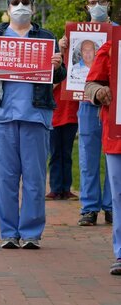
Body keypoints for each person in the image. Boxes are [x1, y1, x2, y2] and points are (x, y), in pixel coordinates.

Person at [0, 0, 65, 250]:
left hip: (35, 115)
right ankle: (8, 232)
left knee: (35, 177)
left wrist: (58, 67)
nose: (21, 6)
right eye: (16, 2)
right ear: (8, 9)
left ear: (33, 8)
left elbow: (57, 79)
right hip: (3, 115)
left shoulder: (46, 37)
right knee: (5, 177)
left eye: (26, 2)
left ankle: (30, 232)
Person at [69, 0, 114, 227]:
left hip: (114, 104)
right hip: (86, 103)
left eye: (101, 2)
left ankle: (111, 206)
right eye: (92, 3)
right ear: (86, 7)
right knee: (87, 156)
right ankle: (89, 208)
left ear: (109, 3)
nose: (97, 6)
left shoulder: (117, 32)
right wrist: (63, 47)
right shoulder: (76, 35)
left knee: (114, 156)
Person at [84, 40, 121, 275]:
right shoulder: (111, 47)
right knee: (119, 195)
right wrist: (98, 92)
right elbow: (90, 85)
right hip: (117, 135)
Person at [46, 84, 79, 200]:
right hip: (53, 115)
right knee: (55, 154)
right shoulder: (52, 67)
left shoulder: (76, 66)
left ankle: (66, 190)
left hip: (71, 114)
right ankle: (55, 189)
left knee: (67, 154)